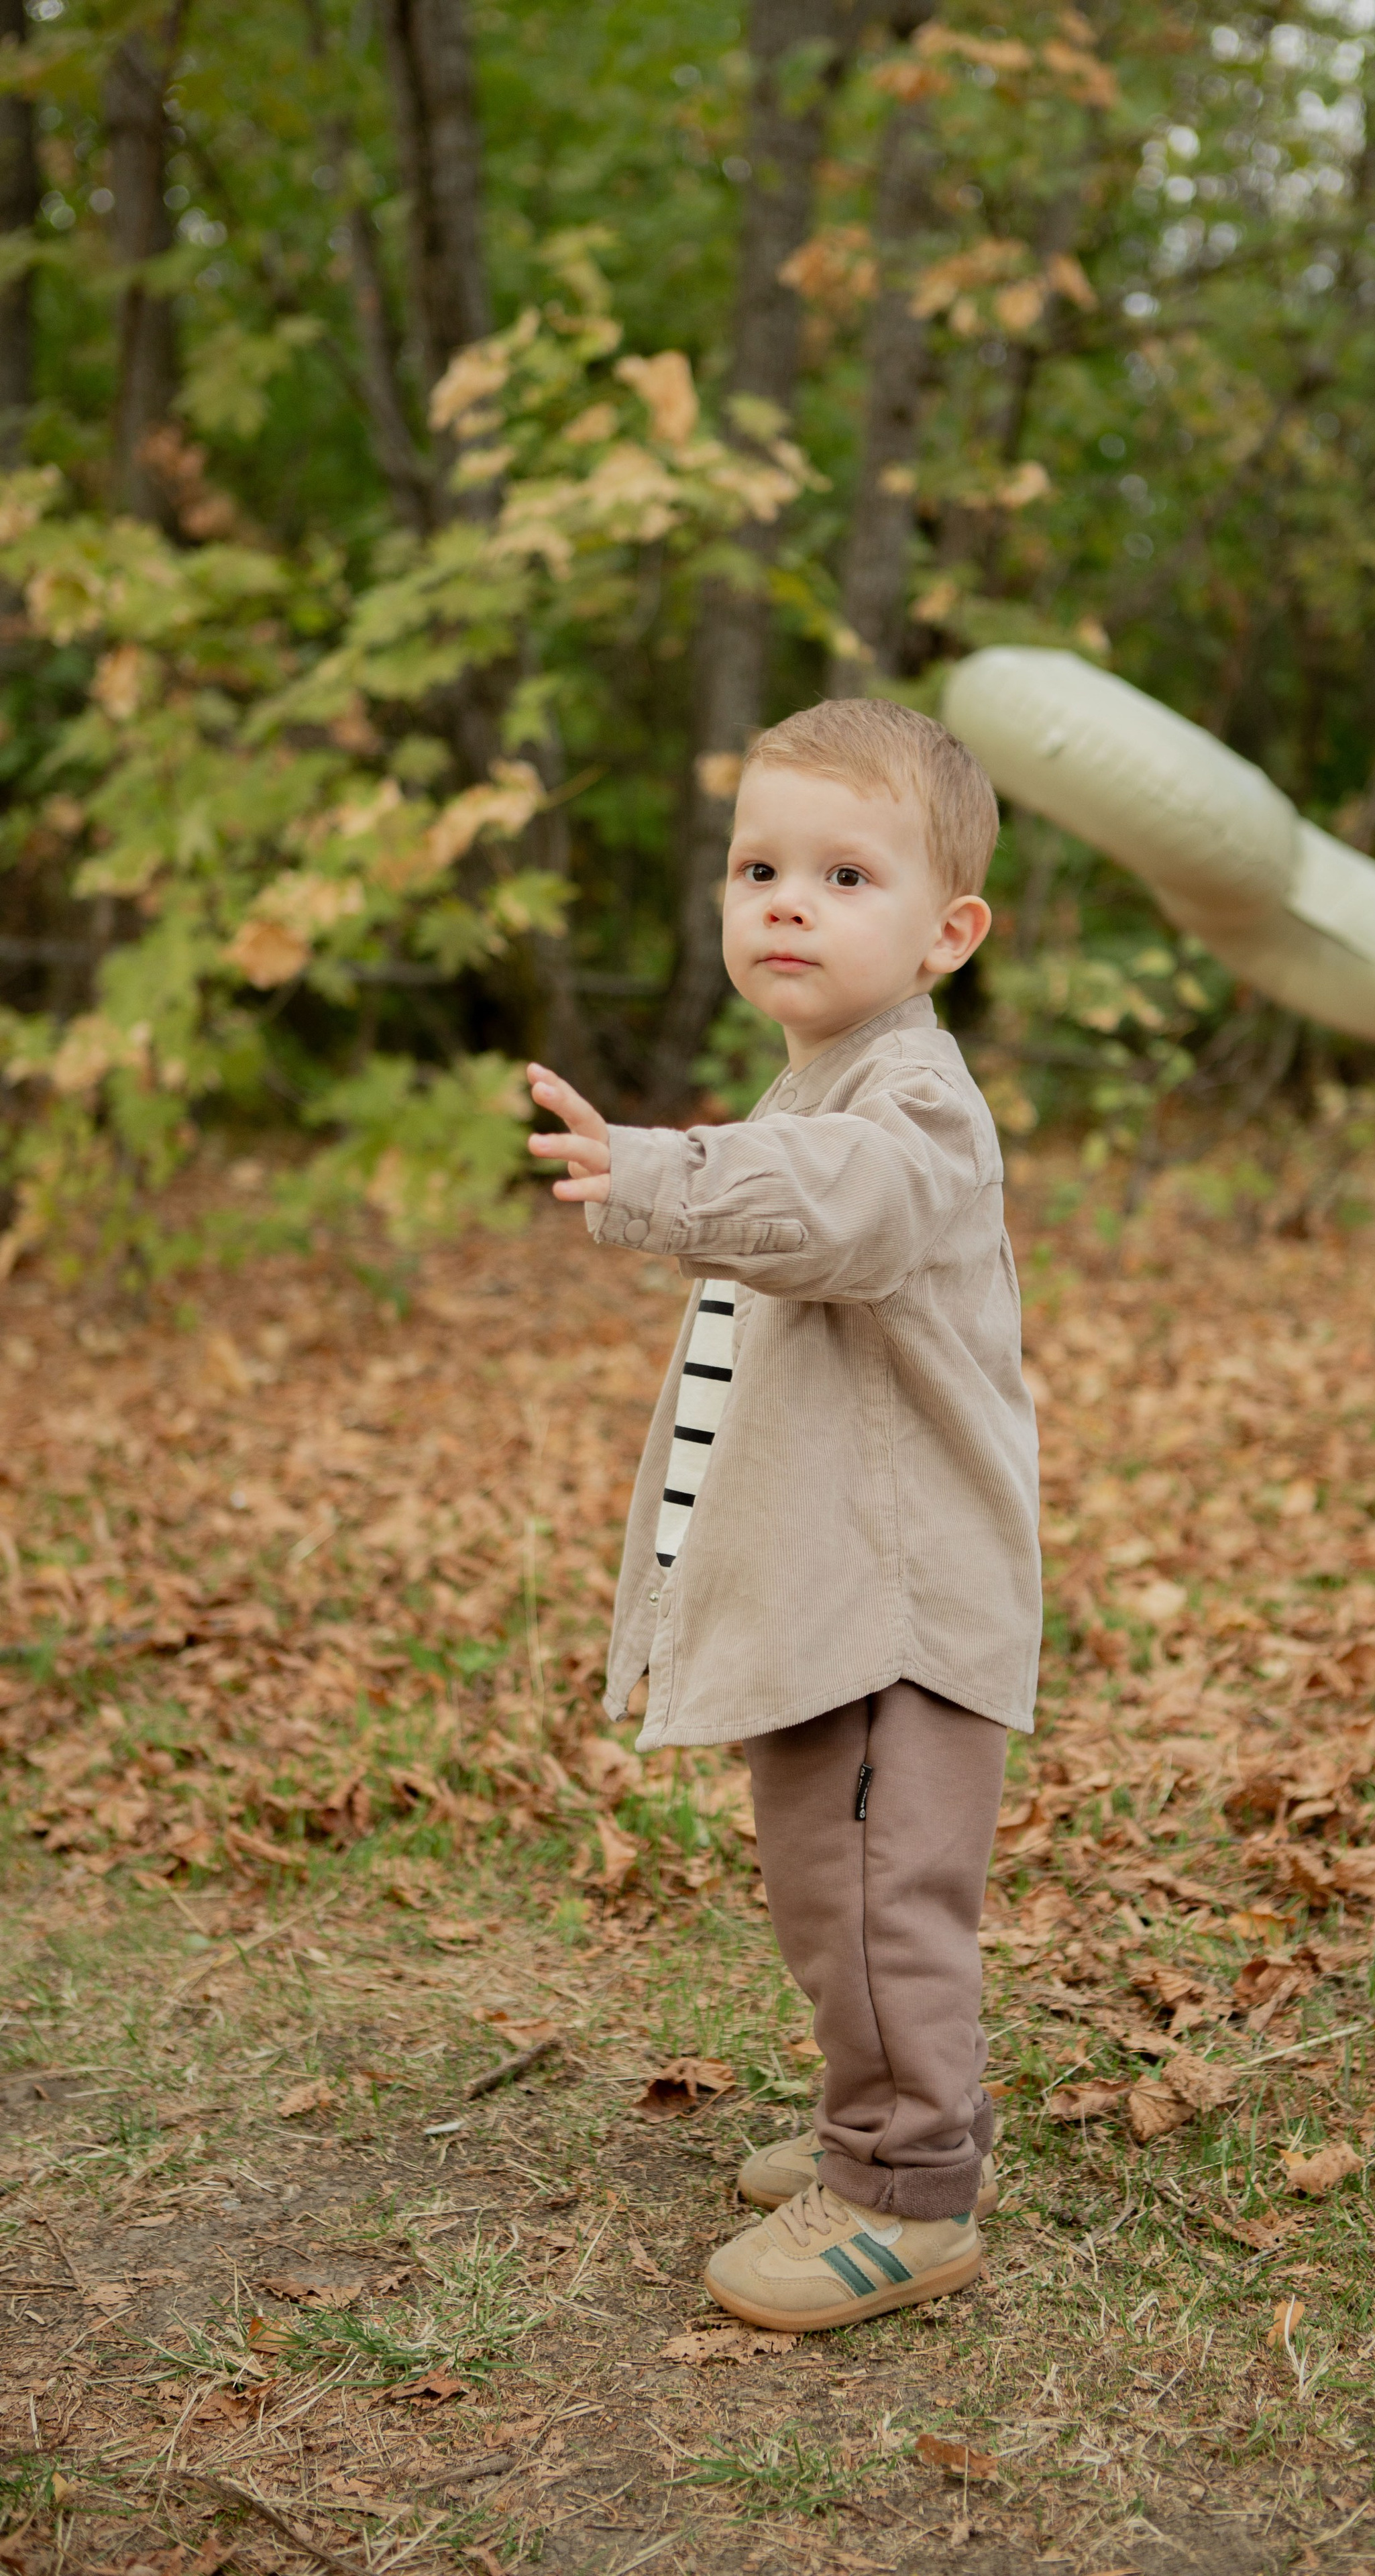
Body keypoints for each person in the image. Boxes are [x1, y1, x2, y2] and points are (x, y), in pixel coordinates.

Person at [526, 699, 1040, 2332]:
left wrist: (663, 1174)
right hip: (828, 1592)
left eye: (843, 875)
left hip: (893, 1610)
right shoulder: (818, 1078)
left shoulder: (913, 1102)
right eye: (759, 869)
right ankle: (879, 2125)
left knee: (877, 1902)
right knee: (832, 1893)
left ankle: (903, 2194)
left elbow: (848, 1214)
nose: (786, 905)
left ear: (948, 934)